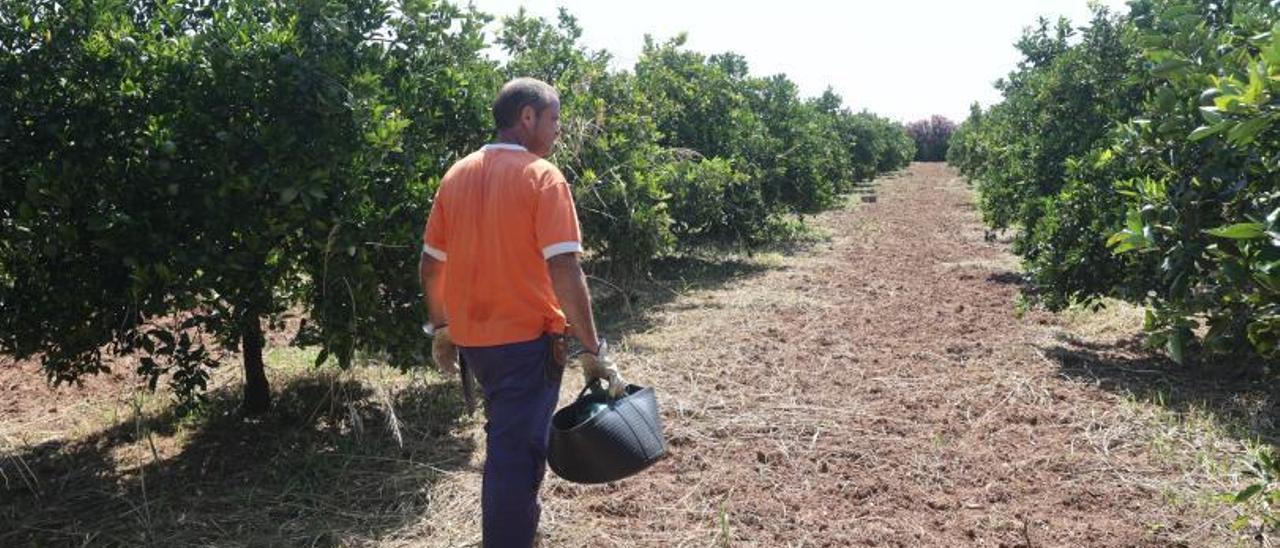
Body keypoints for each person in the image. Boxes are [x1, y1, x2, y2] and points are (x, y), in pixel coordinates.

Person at [418, 77, 623, 548]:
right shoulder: (542, 178)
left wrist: (443, 326)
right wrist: (593, 349)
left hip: (476, 343)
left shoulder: (457, 175)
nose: (557, 132)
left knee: (507, 443)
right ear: (527, 117)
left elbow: (432, 264)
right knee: (515, 458)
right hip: (524, 346)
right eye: (554, 120)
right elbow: (565, 270)